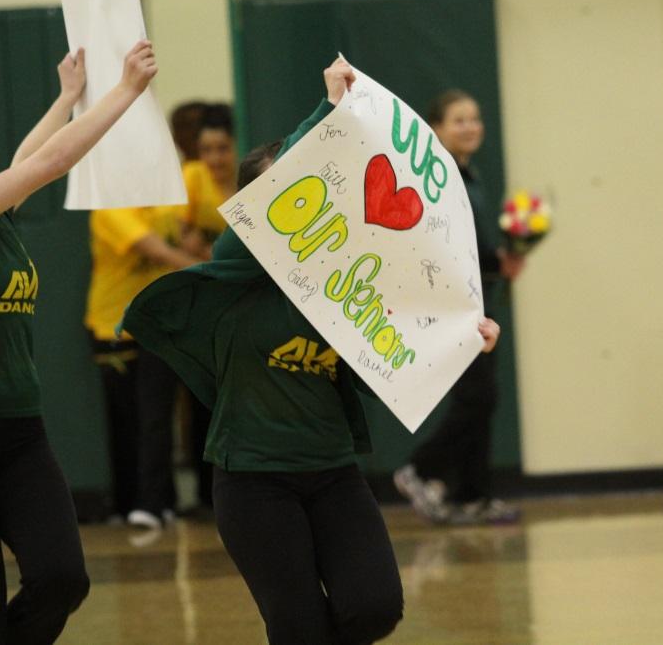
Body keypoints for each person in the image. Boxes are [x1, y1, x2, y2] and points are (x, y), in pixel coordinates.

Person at [123, 58, 500, 644]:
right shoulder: (236, 266)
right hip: (253, 481)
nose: (310, 198)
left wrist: (462, 337)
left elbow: (395, 356)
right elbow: (282, 188)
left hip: (332, 474)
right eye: (295, 187)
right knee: (297, 625)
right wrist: (329, 110)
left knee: (374, 607)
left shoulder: (345, 281)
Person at [0, 40, 158, 644]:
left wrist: (68, 95)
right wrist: (123, 92)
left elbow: (25, 158)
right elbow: (44, 165)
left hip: (20, 434)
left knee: (63, 577)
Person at [393, 89, 526, 526]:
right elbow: (441, 240)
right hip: (450, 303)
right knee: (478, 395)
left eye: (475, 118)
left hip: (480, 299)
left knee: (484, 397)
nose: (470, 127)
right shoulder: (438, 176)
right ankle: (421, 469)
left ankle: (473, 494)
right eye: (458, 120)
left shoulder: (471, 174)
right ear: (435, 129)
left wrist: (503, 258)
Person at [85, 199, 198, 526]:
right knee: (126, 419)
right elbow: (156, 251)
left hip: (158, 324)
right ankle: (126, 503)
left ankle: (156, 502)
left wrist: (194, 243)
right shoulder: (109, 210)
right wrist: (204, 268)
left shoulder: (170, 206)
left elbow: (183, 237)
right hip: (112, 325)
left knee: (156, 415)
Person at [177, 102, 238, 508]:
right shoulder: (191, 181)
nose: (215, 158)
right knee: (199, 398)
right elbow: (184, 240)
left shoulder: (247, 183)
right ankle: (201, 491)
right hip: (201, 305)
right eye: (208, 150)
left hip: (236, 306)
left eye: (222, 149)